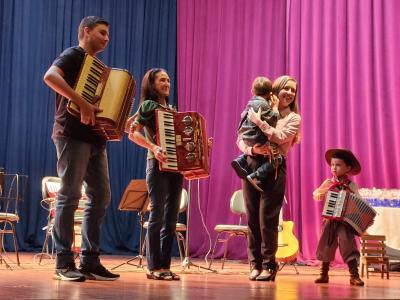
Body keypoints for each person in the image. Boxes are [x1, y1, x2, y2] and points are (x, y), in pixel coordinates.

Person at [43, 16, 119, 282]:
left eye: (108, 34)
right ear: (86, 32)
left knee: (101, 196)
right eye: (102, 33)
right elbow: (50, 76)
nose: (107, 38)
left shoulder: (97, 66)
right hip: (71, 135)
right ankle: (64, 263)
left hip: (96, 138)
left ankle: (89, 261)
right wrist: (81, 102)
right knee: (70, 196)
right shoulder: (73, 54)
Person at [237, 75, 301, 281]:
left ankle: (269, 266)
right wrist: (250, 148)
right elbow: (240, 136)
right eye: (287, 89)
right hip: (252, 163)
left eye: (294, 91)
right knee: (253, 219)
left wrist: (260, 122)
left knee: (267, 220)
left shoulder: (293, 118)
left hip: (274, 169)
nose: (290, 93)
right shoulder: (261, 107)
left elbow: (280, 137)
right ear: (276, 89)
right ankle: (254, 265)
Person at [127, 68, 183, 281]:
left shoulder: (171, 108)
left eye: (168, 79)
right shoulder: (149, 105)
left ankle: (164, 265)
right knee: (157, 215)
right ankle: (153, 266)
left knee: (171, 217)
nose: (167, 83)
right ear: (152, 84)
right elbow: (133, 133)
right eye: (162, 80)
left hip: (175, 167)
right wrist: (154, 147)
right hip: (156, 164)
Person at [313, 148, 364, 286]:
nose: (334, 168)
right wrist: (319, 193)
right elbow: (317, 193)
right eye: (332, 165)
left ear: (347, 168)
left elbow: (359, 202)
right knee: (326, 244)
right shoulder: (328, 183)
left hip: (345, 222)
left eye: (338, 165)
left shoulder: (351, 185)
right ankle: (323, 274)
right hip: (330, 219)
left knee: (348, 244)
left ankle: (354, 275)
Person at [231, 76, 279, 192]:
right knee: (276, 160)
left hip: (245, 136)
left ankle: (240, 160)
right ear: (270, 94)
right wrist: (275, 108)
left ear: (252, 91)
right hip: (257, 140)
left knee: (250, 151)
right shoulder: (264, 105)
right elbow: (273, 120)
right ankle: (256, 175)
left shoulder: (250, 103)